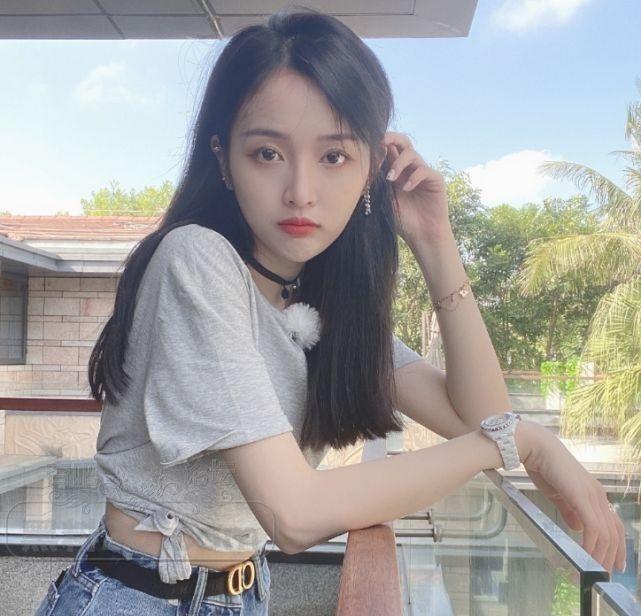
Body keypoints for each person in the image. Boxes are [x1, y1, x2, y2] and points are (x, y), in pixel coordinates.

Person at [34, 7, 626, 616]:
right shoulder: (196, 260)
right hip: (136, 597)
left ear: (372, 169)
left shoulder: (320, 305)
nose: (301, 191)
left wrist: (434, 241)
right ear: (223, 160)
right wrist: (526, 442)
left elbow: (477, 416)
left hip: (239, 592)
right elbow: (295, 515)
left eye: (334, 157)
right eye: (267, 153)